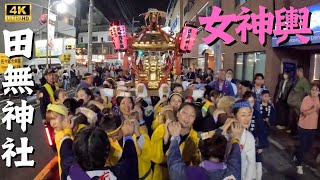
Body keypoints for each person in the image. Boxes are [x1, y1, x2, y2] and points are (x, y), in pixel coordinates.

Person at [167, 119, 242, 180]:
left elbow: (173, 163)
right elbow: (235, 156)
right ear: (225, 154)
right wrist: (235, 137)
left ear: (200, 153)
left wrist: (175, 137)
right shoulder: (232, 172)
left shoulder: (190, 174)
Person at [151, 103, 200, 180]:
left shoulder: (196, 137)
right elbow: (154, 157)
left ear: (194, 119)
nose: (188, 117)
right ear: (177, 114)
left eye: (192, 115)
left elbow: (195, 162)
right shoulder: (162, 129)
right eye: (185, 112)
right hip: (160, 174)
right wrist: (165, 140)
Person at [100, 112, 153, 180]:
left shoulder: (137, 135)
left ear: (122, 127)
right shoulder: (109, 143)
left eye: (116, 134)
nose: (113, 139)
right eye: (110, 136)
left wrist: (137, 133)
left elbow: (148, 154)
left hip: (144, 177)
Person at [294, 83, 320, 175]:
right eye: (313, 89)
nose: (314, 92)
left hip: (313, 127)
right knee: (303, 146)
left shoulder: (318, 99)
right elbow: (304, 113)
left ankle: (296, 155)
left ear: (319, 92)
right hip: (303, 126)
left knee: (308, 146)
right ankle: (299, 165)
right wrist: (314, 109)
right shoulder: (306, 99)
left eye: (316, 90)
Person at [242, 92, 267, 180]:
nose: (250, 104)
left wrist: (261, 145)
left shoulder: (257, 114)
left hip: (254, 142)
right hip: (242, 141)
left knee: (255, 160)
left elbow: (262, 130)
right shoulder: (239, 111)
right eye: (248, 101)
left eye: (252, 102)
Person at [232, 100, 256, 180]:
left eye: (249, 115)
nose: (247, 119)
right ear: (234, 116)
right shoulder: (225, 134)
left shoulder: (249, 137)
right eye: (243, 115)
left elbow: (251, 163)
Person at [287, 66, 311, 135]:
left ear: (300, 71)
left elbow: (308, 93)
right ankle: (293, 131)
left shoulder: (304, 81)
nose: (296, 73)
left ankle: (298, 132)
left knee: (298, 117)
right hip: (293, 102)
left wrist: (304, 103)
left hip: (298, 103)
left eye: (297, 71)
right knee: (293, 117)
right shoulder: (297, 80)